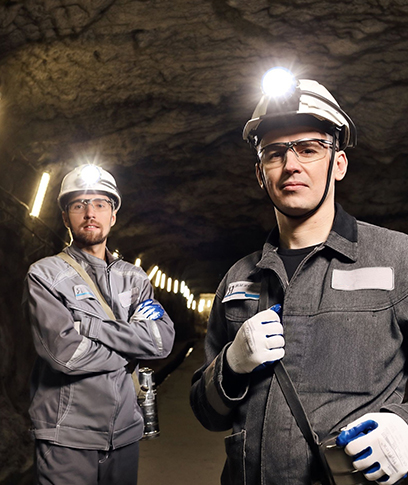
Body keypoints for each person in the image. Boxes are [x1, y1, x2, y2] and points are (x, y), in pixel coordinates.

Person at [190, 67, 408, 485]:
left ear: (338, 163)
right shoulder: (239, 279)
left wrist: (404, 427)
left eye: (308, 148)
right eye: (274, 153)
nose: (291, 164)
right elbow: (206, 412)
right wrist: (232, 366)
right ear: (260, 174)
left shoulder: (397, 260)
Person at [23, 164, 175, 485]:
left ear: (113, 215)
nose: (90, 212)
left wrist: (89, 328)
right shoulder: (45, 276)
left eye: (100, 204)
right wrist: (133, 346)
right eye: (78, 205)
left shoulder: (134, 278)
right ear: (66, 217)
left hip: (125, 435)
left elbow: (161, 341)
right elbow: (67, 354)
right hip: (66, 438)